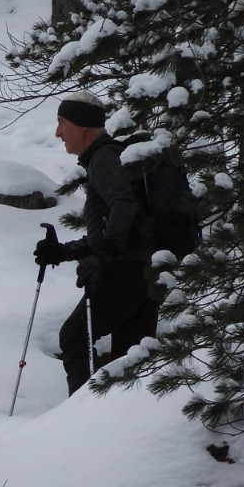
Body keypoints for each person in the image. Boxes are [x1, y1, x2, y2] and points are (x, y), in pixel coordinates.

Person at [33, 91, 160, 394]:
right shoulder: (105, 159)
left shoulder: (104, 157)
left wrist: (104, 257)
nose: (58, 132)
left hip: (128, 270)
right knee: (130, 360)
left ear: (82, 125)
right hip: (146, 269)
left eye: (62, 123)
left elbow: (124, 207)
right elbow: (117, 227)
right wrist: (65, 251)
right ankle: (119, 427)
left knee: (75, 336)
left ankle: (83, 422)